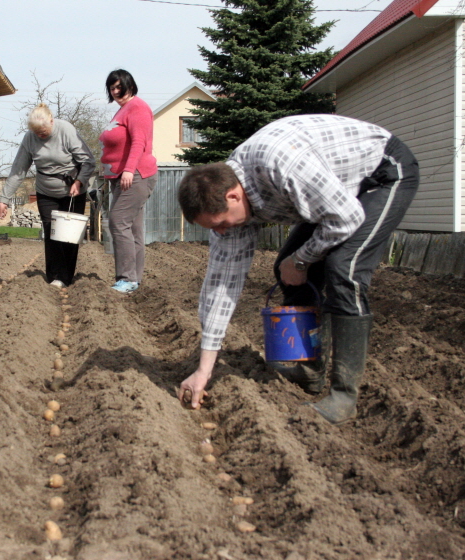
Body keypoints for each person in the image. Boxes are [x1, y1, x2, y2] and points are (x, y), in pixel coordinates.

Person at [176, 114, 419, 425]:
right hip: (335, 192)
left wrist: (303, 260)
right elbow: (221, 287)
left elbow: (346, 218)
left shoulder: (282, 166)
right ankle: (309, 369)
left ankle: (345, 396)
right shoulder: (227, 206)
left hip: (381, 173)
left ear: (233, 196)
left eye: (221, 224)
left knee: (344, 269)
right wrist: (203, 370)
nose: (221, 232)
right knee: (285, 268)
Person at [0, 104, 95, 287]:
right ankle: (54, 277)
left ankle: (67, 277)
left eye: (43, 132)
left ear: (52, 121)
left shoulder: (66, 130)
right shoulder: (29, 138)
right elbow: (19, 170)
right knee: (51, 232)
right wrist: (4, 199)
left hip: (72, 192)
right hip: (46, 192)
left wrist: (79, 181)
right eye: (37, 133)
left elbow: (88, 161)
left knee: (69, 237)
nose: (40, 136)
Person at [98, 69, 158, 293]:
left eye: (118, 87)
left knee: (118, 222)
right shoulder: (123, 111)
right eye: (111, 88)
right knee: (132, 228)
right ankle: (133, 280)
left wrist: (129, 170)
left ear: (129, 85)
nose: (115, 92)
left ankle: (126, 278)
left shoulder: (138, 108)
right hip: (122, 177)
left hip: (136, 175)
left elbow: (139, 143)